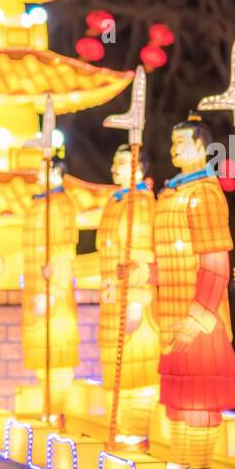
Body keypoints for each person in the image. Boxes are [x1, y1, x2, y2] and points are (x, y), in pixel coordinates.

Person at [155, 114, 235, 469]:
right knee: (177, 396)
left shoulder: (205, 194)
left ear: (201, 146)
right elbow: (168, 258)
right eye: (173, 143)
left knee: (200, 398)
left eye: (181, 142)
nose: (174, 149)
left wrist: (200, 313)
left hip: (200, 317)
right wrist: (144, 272)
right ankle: (180, 463)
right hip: (170, 310)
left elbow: (216, 263)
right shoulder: (172, 194)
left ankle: (200, 468)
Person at [93, 144, 160, 446]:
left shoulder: (142, 205)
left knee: (135, 369)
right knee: (115, 367)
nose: (113, 168)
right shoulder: (115, 202)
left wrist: (136, 298)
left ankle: (136, 433)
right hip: (111, 297)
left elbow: (142, 253)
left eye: (121, 162)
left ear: (138, 167)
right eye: (114, 161)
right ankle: (120, 431)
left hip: (133, 301)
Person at [21, 156, 79, 424]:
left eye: (42, 168)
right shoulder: (37, 206)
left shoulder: (62, 205)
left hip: (54, 297)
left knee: (57, 356)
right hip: (34, 290)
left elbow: (64, 251)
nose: (36, 173)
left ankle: (57, 411)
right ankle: (48, 409)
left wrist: (52, 291)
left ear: (56, 172)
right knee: (42, 359)